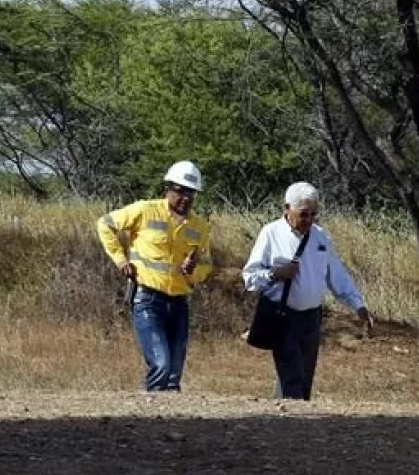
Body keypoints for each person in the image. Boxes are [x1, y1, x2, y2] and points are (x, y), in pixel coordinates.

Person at [242, 181, 374, 400]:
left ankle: (288, 420)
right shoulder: (271, 233)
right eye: (304, 214)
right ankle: (291, 420)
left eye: (313, 214)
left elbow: (337, 275)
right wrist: (276, 273)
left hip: (312, 318)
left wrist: (358, 305)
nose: (309, 220)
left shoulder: (321, 236)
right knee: (291, 374)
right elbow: (250, 278)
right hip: (283, 316)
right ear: (287, 209)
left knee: (303, 376)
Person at [95, 160, 213, 392]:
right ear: (167, 188)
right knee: (161, 363)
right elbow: (105, 224)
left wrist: (194, 272)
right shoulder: (145, 210)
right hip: (148, 299)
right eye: (179, 190)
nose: (185, 197)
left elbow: (206, 265)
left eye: (190, 192)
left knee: (173, 372)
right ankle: (151, 418)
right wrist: (121, 260)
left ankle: (169, 423)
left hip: (179, 303)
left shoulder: (200, 227)